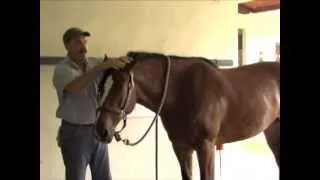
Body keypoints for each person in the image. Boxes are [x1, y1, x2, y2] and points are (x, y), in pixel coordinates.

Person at [52, 27, 129, 180]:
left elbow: (116, 73)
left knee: (104, 177)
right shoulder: (62, 69)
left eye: (85, 42)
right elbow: (76, 86)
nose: (84, 47)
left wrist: (124, 62)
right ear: (67, 45)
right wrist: (101, 67)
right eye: (78, 43)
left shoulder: (96, 63)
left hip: (98, 129)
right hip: (75, 133)